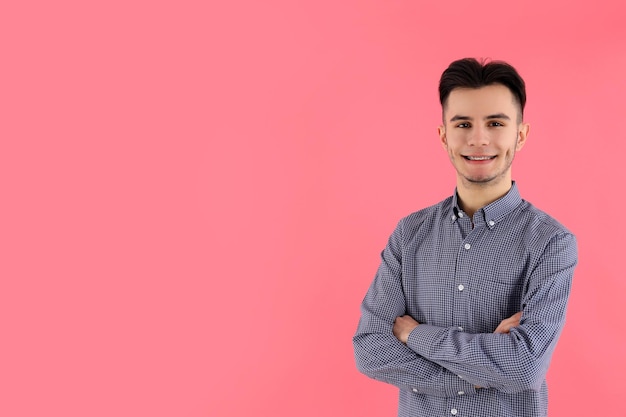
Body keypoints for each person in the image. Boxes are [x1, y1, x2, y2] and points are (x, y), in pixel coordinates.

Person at [353, 58, 578, 417]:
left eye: (495, 123)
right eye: (463, 124)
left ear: (520, 134)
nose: (478, 139)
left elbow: (525, 366)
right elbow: (370, 350)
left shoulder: (552, 243)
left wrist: (415, 336)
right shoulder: (409, 234)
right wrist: (477, 374)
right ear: (444, 135)